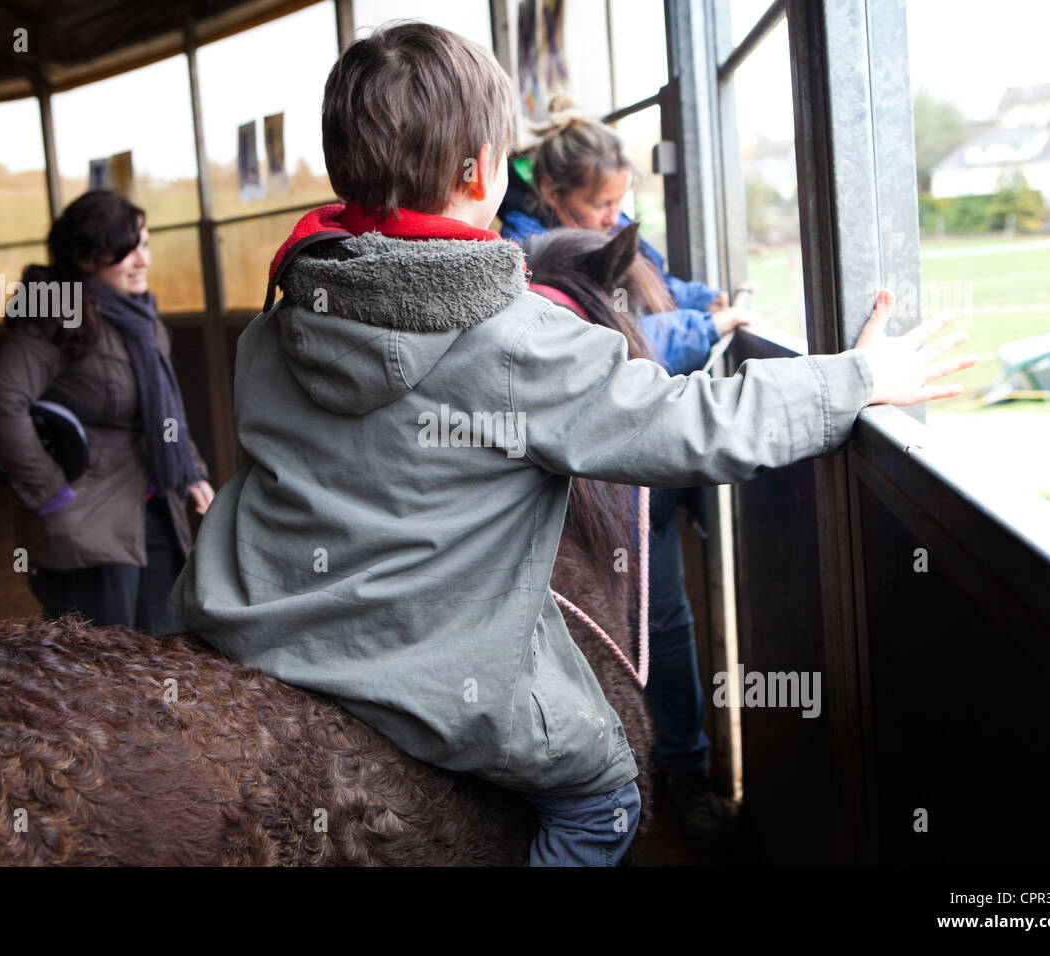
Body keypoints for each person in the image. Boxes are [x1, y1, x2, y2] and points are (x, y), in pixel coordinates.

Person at [173, 21, 972, 866]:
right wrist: (854, 381)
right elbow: (686, 425)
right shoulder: (517, 338)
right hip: (415, 671)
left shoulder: (281, 316)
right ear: (481, 171)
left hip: (250, 620)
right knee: (608, 794)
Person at [498, 101, 756, 846]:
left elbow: (661, 282)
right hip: (584, 493)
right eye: (601, 204)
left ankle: (685, 774)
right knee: (591, 637)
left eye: (621, 202)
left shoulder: (610, 235)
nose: (615, 216)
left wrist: (709, 300)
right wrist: (706, 328)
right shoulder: (526, 256)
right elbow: (599, 340)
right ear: (554, 197)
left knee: (667, 629)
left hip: (646, 488)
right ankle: (602, 787)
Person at [0, 190, 215, 636]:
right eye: (125, 249)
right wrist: (52, 491)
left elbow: (163, 412)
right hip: (88, 528)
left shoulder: (144, 323)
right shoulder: (57, 318)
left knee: (165, 656)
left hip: (155, 512)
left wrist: (192, 472)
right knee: (98, 675)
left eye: (144, 244)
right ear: (86, 258)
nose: (142, 259)